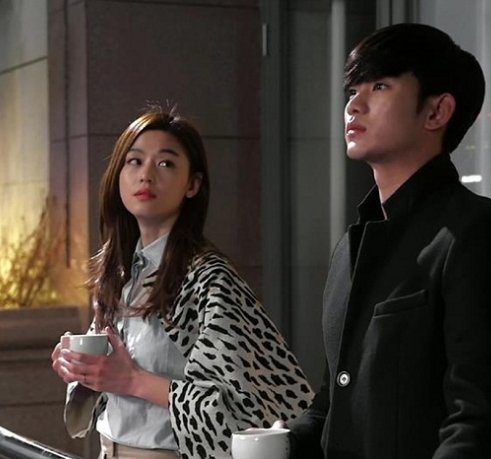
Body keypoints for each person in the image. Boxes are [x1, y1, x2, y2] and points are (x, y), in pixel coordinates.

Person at [284, 23, 491, 458]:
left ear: (436, 112)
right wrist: (284, 442)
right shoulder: (350, 248)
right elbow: (333, 403)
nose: (354, 105)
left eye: (379, 86)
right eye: (353, 90)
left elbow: (482, 424)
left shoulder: (480, 232)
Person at [51, 110, 313, 459]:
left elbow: (239, 409)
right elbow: (108, 384)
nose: (146, 174)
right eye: (134, 161)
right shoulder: (122, 272)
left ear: (193, 185)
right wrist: (83, 370)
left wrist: (132, 380)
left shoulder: (209, 278)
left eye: (166, 164)